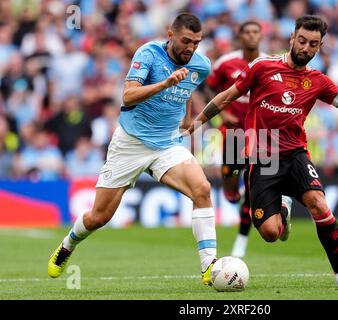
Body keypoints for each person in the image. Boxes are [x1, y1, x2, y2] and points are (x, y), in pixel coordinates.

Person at [186, 15, 338, 288]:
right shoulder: (262, 67)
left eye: (313, 44)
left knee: (319, 205)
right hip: (262, 157)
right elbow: (225, 96)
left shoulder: (318, 81)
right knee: (269, 233)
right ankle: (281, 207)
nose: (305, 48)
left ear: (320, 46)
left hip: (296, 154)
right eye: (301, 40)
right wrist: (197, 123)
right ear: (292, 38)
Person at [48, 13, 218, 286]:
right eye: (186, 41)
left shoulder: (201, 64)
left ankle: (209, 267)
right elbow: (127, 95)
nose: (191, 48)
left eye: (196, 43)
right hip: (130, 143)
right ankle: (68, 244)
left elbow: (188, 86)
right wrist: (164, 84)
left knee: (202, 189)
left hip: (166, 144)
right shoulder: (148, 53)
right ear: (170, 34)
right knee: (99, 217)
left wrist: (187, 117)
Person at [206, 20, 287, 258]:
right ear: (240, 36)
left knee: (254, 188)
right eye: (247, 32)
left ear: (260, 36)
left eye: (255, 32)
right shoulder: (225, 63)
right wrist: (222, 113)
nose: (251, 36)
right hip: (233, 132)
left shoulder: (269, 63)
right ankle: (232, 193)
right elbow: (210, 89)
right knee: (230, 177)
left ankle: (241, 239)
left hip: (261, 134)